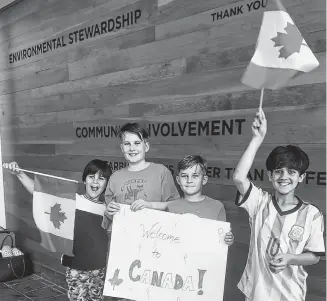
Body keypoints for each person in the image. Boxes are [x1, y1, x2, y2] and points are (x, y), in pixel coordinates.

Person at [232, 110, 325, 301]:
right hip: (255, 293)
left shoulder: (312, 214)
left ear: (301, 177)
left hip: (291, 295)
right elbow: (239, 178)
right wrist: (257, 138)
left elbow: (314, 256)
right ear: (269, 176)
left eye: (291, 171)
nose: (284, 177)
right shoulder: (259, 202)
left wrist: (291, 258)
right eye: (278, 171)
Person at [3, 160, 112, 301]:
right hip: (75, 267)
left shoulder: (108, 209)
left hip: (99, 268)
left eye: (101, 178)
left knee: (96, 299)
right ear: (84, 180)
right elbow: (38, 192)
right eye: (91, 177)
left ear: (107, 183)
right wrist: (19, 173)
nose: (95, 182)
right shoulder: (73, 201)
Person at [102, 122, 180, 230]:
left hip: (154, 238)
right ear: (122, 148)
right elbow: (109, 216)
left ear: (146, 146)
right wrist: (108, 211)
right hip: (122, 240)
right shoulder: (115, 177)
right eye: (127, 144)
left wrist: (149, 205)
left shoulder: (161, 172)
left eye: (137, 143)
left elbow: (176, 206)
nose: (132, 148)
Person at [167, 155, 234, 246]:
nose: (189, 180)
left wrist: (228, 239)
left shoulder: (217, 206)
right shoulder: (171, 207)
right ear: (178, 180)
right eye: (184, 176)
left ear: (204, 179)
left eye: (195, 176)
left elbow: (221, 242)